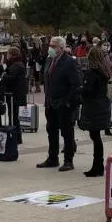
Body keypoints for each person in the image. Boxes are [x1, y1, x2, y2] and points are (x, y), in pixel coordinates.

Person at [38, 36, 81, 172]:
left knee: (67, 133)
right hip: (50, 102)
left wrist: (68, 101)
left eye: (53, 46)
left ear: (61, 48)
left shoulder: (69, 62)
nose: (50, 48)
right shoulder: (49, 60)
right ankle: (52, 158)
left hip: (64, 104)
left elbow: (76, 84)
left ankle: (68, 160)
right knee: (51, 130)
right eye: (50, 45)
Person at [79, 46, 112, 177]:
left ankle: (97, 166)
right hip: (101, 105)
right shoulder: (103, 71)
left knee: (95, 137)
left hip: (93, 107)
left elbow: (89, 90)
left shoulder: (92, 73)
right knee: (96, 137)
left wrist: (79, 89)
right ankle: (98, 165)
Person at [0, 46, 28, 145]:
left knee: (13, 117)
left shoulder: (15, 65)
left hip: (14, 95)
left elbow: (11, 78)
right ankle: (17, 137)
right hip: (17, 94)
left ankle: (16, 137)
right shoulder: (18, 64)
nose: (7, 56)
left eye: (8, 54)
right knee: (14, 116)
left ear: (11, 54)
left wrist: (3, 75)